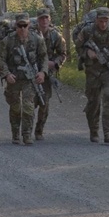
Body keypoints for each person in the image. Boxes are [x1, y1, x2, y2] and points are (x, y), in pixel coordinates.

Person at [76, 7, 109, 143]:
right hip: (92, 72)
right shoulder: (87, 31)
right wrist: (87, 53)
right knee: (93, 102)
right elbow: (78, 46)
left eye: (106, 21)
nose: (103, 24)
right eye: (100, 21)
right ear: (96, 20)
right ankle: (94, 130)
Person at [0, 15, 46, 145]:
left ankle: (27, 134)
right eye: (20, 26)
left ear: (29, 25)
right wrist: (7, 74)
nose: (22, 28)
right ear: (16, 26)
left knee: (28, 107)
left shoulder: (36, 40)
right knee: (15, 107)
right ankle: (15, 134)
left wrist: (42, 72)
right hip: (13, 79)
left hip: (29, 80)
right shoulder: (8, 41)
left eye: (25, 25)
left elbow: (43, 57)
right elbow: (1, 59)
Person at [33, 9, 66, 140]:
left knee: (44, 103)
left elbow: (63, 54)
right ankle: (26, 130)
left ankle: (39, 130)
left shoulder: (55, 36)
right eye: (41, 18)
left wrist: (55, 63)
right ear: (38, 20)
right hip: (31, 74)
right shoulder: (31, 34)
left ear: (50, 19)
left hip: (47, 76)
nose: (44, 21)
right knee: (29, 103)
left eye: (46, 18)